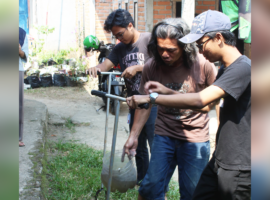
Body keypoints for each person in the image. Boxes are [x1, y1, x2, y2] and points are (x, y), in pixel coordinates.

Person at [126, 10, 251, 200]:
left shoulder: (238, 67)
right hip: (215, 153)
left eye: (201, 44)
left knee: (193, 193)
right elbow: (213, 104)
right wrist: (166, 93)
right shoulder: (227, 68)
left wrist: (152, 98)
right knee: (157, 190)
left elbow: (203, 101)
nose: (200, 51)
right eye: (160, 49)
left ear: (218, 38)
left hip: (227, 155)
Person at [122, 17, 217, 200]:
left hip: (194, 137)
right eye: (160, 48)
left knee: (192, 193)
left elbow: (215, 100)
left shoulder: (203, 64)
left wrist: (220, 130)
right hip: (164, 134)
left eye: (171, 50)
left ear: (185, 46)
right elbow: (145, 103)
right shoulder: (152, 66)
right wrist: (133, 136)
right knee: (149, 189)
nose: (164, 54)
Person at [87, 8, 158, 185]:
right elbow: (105, 65)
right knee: (138, 146)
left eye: (120, 34)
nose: (118, 38)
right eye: (115, 36)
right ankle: (143, 180)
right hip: (134, 103)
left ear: (130, 25)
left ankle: (158, 184)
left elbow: (162, 65)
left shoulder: (149, 40)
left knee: (155, 146)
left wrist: (138, 68)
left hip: (153, 104)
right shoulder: (120, 48)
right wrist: (95, 68)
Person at [19, 27, 29, 147]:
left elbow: (25, 55)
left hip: (17, 69)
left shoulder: (21, 33)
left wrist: (20, 51)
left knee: (18, 105)